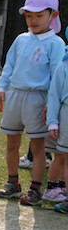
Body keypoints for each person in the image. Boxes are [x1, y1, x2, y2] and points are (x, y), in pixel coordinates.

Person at [0, 0, 65, 206]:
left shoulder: (56, 43)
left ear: (53, 15)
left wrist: (50, 105)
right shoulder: (21, 39)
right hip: (15, 95)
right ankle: (13, 183)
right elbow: (9, 66)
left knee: (38, 148)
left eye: (39, 16)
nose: (33, 20)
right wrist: (2, 87)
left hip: (38, 98)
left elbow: (57, 77)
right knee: (11, 144)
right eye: (29, 16)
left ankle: (35, 188)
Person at [47, 27, 68, 213]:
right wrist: (53, 120)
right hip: (66, 113)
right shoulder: (63, 65)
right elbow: (54, 95)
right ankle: (57, 190)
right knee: (64, 157)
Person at [43, 136, 66, 202]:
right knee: (61, 156)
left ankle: (62, 186)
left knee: (64, 156)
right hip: (58, 130)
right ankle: (51, 189)